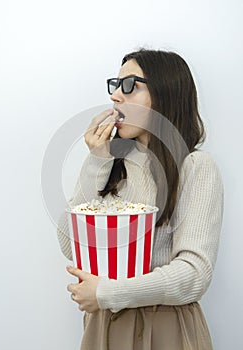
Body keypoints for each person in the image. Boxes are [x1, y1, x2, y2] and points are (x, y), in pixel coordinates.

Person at [57, 48, 224, 350]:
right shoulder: (107, 162)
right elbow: (71, 246)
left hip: (166, 327)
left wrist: (108, 292)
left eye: (130, 86)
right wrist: (97, 159)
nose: (116, 97)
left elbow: (195, 274)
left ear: (165, 94)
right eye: (116, 86)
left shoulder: (195, 167)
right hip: (103, 327)